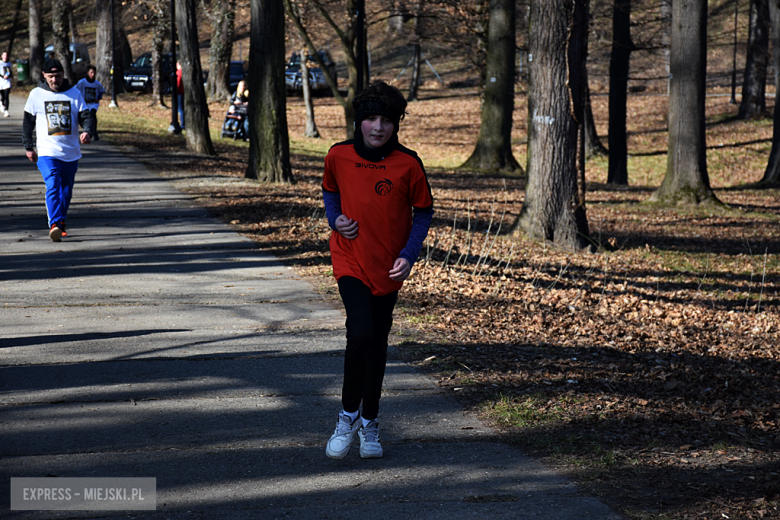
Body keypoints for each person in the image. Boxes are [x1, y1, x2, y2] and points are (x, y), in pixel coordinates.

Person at [321, 81, 434, 459]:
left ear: (396, 124)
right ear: (359, 121)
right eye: (370, 119)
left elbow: (423, 212)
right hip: (349, 257)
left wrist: (409, 253)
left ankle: (370, 423)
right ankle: (346, 416)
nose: (378, 127)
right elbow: (330, 190)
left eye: (386, 120)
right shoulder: (337, 155)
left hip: (388, 266)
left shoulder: (408, 163)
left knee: (378, 343)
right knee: (361, 332)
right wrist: (335, 218)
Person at [22, 58, 95, 242]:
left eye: (58, 75)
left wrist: (87, 131)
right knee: (53, 183)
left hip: (70, 152)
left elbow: (87, 116)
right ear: (44, 75)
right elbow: (27, 123)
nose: (55, 80)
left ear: (64, 74)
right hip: (47, 152)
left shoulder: (74, 93)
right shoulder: (36, 94)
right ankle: (54, 224)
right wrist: (28, 147)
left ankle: (61, 221)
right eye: (51, 76)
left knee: (66, 190)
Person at [75, 65, 105, 140]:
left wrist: (98, 98)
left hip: (93, 104)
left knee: (92, 115)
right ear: (87, 73)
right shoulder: (82, 82)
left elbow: (102, 91)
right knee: (85, 117)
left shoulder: (97, 83)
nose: (93, 74)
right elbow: (75, 90)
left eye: (94, 73)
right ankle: (87, 131)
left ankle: (94, 132)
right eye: (91, 72)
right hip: (85, 103)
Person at [1, 51, 12, 117]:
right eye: (4, 55)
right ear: (2, 56)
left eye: (6, 55)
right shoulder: (0, 63)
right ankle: (2, 104)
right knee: (2, 96)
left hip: (7, 82)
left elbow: (10, 71)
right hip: (1, 82)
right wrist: (2, 76)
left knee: (6, 95)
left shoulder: (9, 63)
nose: (5, 57)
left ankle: (6, 111)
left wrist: (11, 75)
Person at [176, 61, 184, 129]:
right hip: (184, 92)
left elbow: (178, 82)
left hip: (180, 92)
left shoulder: (179, 72)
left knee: (180, 109)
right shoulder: (184, 72)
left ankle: (182, 123)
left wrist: (177, 90)